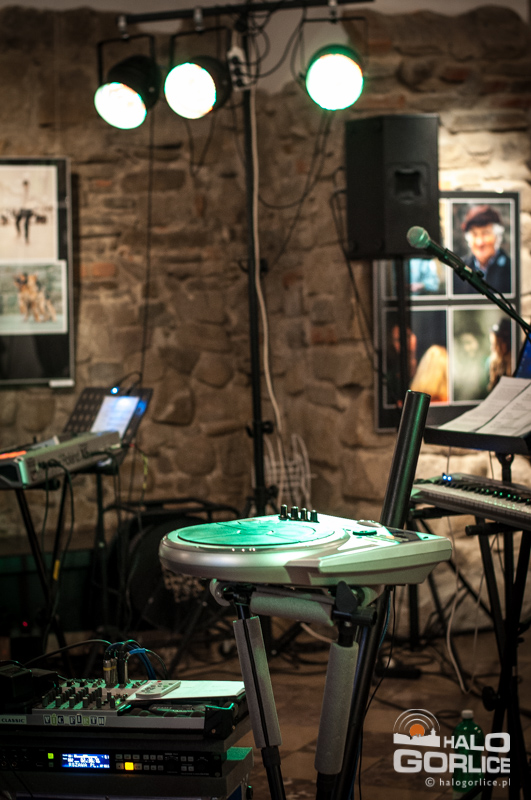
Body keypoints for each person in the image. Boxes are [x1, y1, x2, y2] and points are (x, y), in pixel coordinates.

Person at [453, 205, 511, 295]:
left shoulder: (510, 268)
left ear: (497, 236)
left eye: (485, 233)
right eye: (475, 234)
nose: (480, 242)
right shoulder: (459, 269)